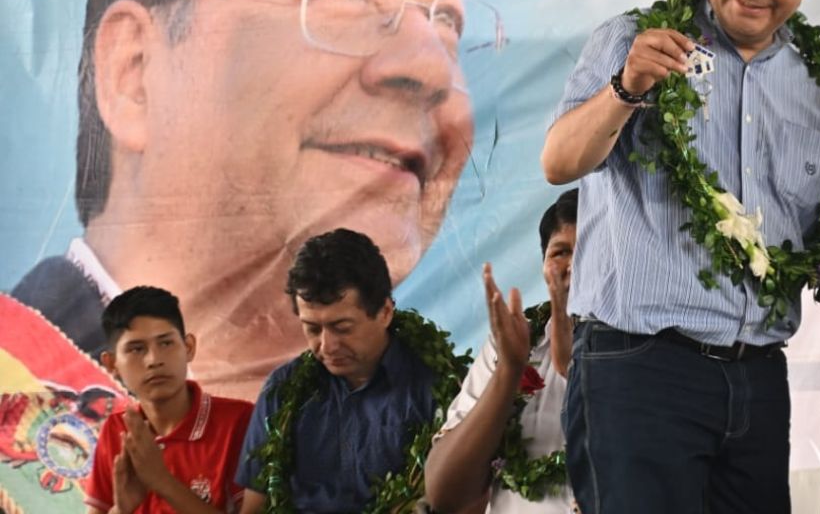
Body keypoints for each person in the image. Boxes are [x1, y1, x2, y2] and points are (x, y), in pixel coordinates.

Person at [8, 0, 479, 401]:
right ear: (134, 72)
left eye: (447, 21)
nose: (432, 68)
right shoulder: (19, 427)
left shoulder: (440, 448)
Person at [542, 0, 820, 511]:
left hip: (759, 375)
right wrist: (625, 89)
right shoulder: (634, 38)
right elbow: (558, 161)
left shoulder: (817, 84)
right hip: (641, 366)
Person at [236, 228, 437, 513]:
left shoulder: (433, 388)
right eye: (312, 329)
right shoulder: (283, 388)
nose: (327, 346)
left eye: (342, 328)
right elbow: (256, 506)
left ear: (385, 313)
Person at [422, 189, 578, 513]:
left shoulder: (652, 347)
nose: (573, 266)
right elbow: (444, 495)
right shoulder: (513, 341)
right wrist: (509, 369)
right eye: (560, 252)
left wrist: (571, 355)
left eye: (589, 251)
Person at [85, 286, 253, 514]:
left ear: (189, 347)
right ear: (112, 364)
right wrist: (122, 509)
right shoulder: (117, 431)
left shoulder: (240, 421)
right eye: (136, 349)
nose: (154, 360)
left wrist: (163, 482)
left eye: (165, 343)